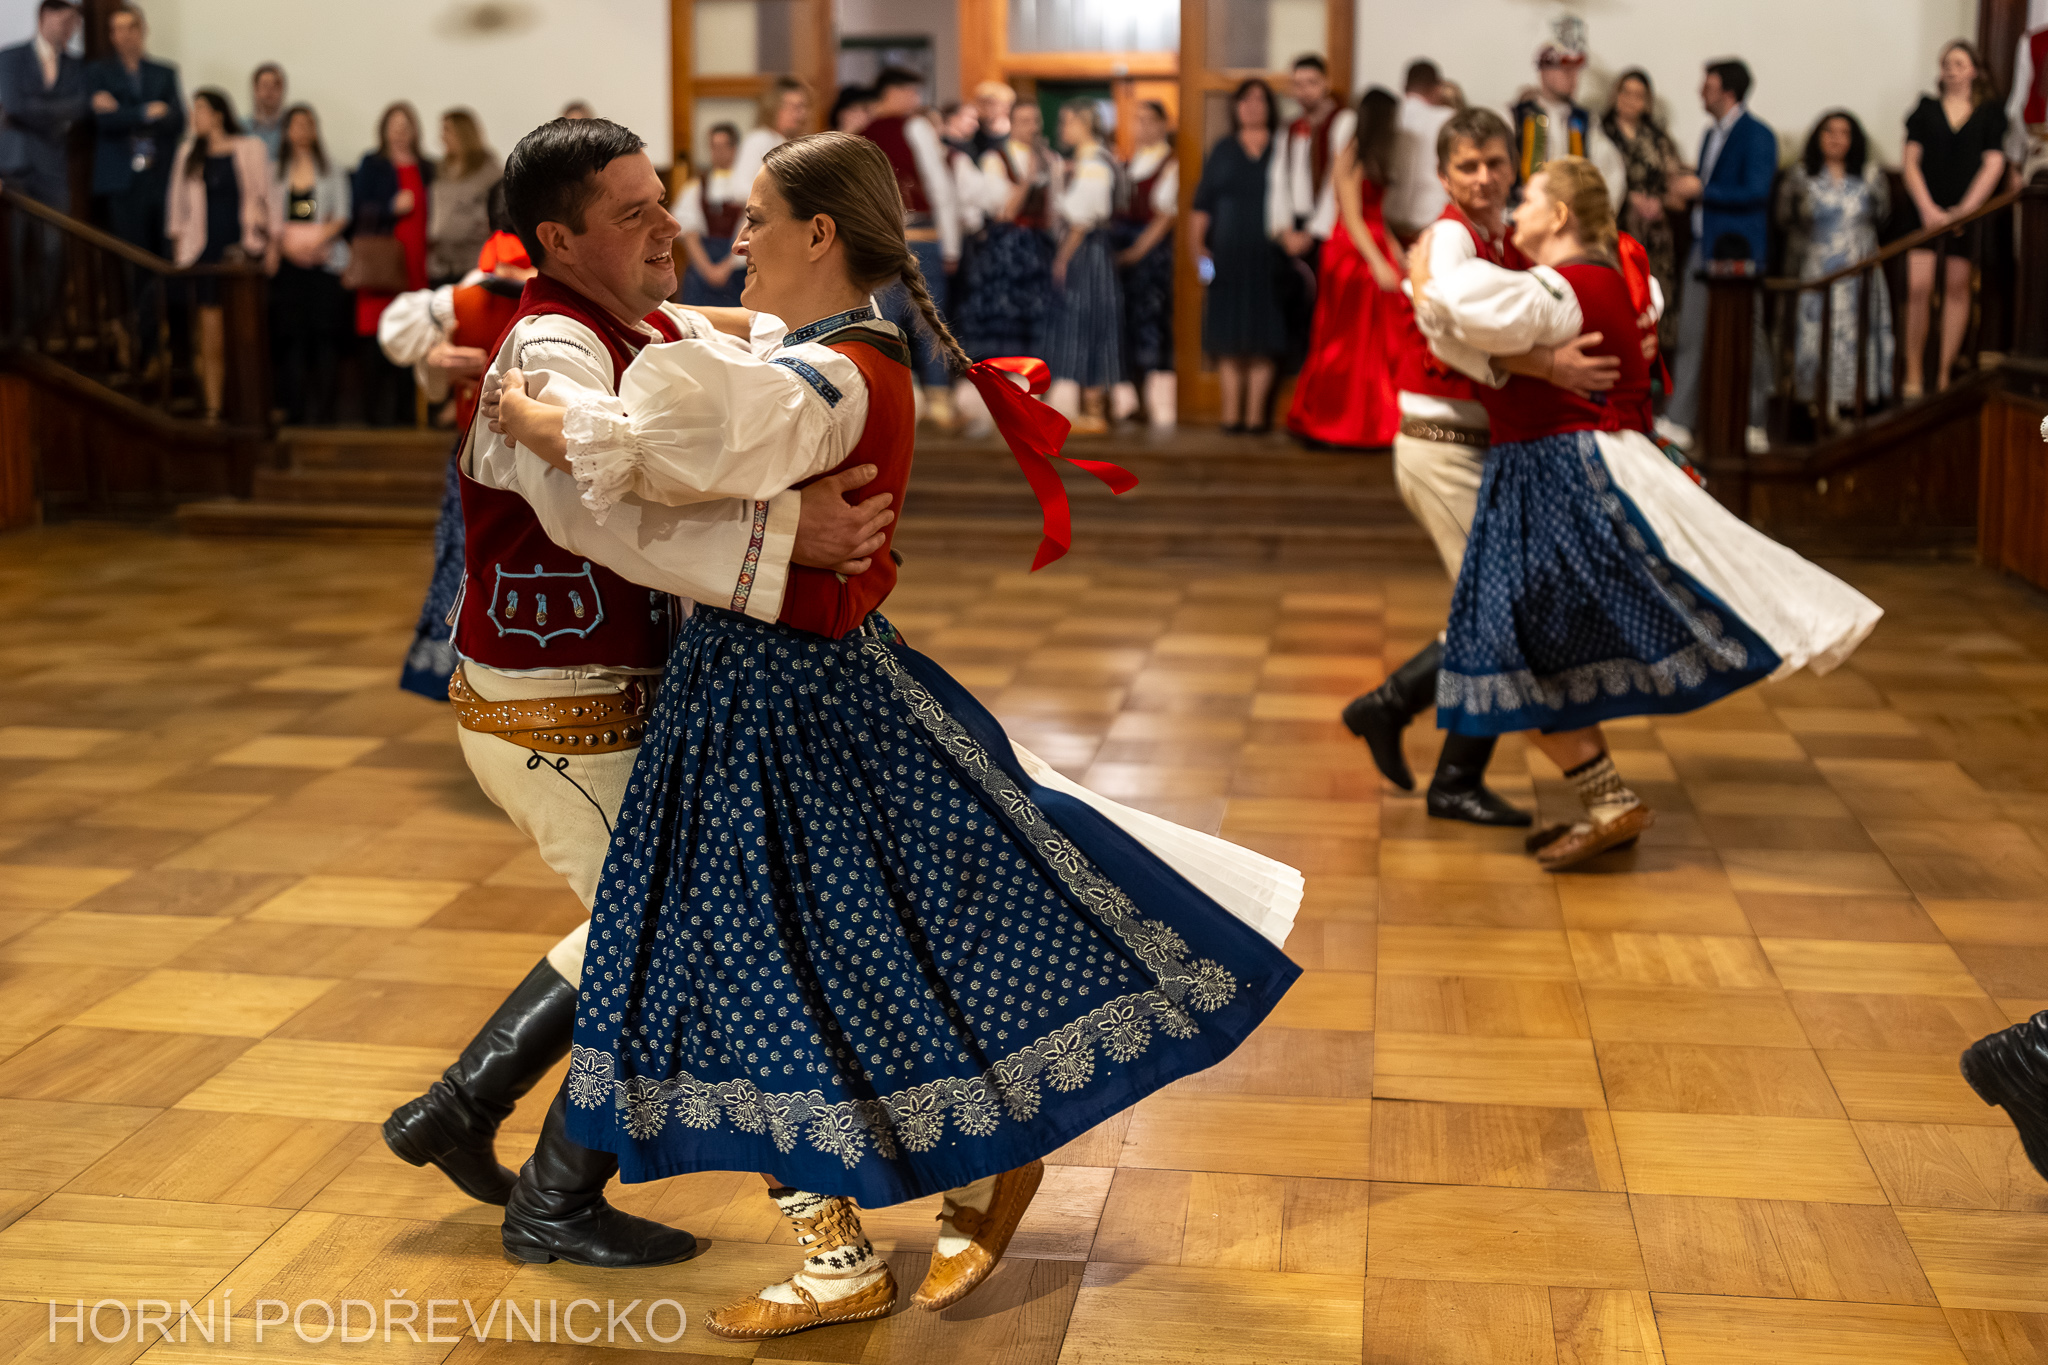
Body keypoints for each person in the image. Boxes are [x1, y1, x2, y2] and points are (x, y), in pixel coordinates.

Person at [484, 127, 1304, 1342]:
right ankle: (933, 1191)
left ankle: (857, 1245)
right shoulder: (817, 354)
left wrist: (536, 419)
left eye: (756, 218)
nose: (733, 239)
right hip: (767, 696)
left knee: (765, 970)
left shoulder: (821, 380)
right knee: (812, 961)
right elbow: (706, 358)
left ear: (819, 233)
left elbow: (658, 453)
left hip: (780, 707)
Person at [378, 116, 899, 1270]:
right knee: (675, 944)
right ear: (557, 240)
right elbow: (595, 517)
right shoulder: (547, 350)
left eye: (661, 198)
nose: (671, 225)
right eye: (633, 213)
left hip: (615, 695)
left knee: (654, 930)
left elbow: (741, 333)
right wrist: (788, 536)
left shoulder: (638, 321)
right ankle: (550, 1197)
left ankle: (465, 1110)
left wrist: (836, 314)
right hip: (552, 707)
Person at [1410, 157, 1880, 869]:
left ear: (1560, 215)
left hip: (1560, 480)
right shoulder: (1585, 281)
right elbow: (1468, 337)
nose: (1515, 211)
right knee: (1517, 653)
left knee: (1505, 651)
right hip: (1543, 476)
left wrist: (1425, 282)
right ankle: (1608, 802)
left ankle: (1608, 801)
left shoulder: (1561, 288)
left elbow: (1464, 312)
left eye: (1528, 199)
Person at [1340, 107, 1616, 826]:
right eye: (1468, 166)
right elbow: (1450, 324)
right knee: (1503, 616)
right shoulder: (1452, 238)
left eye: (1495, 163)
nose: (1485, 177)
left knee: (1496, 615)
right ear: (1443, 176)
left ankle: (1423, 743)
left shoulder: (1500, 236)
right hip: (1440, 445)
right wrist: (1549, 365)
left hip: (1479, 446)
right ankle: (1410, 729)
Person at [1661, 59, 1776, 453]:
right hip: (1703, 244)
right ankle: (1680, 419)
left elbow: (1757, 190)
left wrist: (1701, 190)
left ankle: (1755, 421)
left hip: (1738, 250)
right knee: (1691, 333)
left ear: (1727, 91)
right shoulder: (1711, 133)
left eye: (1707, 86)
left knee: (1750, 338)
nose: (1700, 92)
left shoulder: (1758, 134)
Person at [1286, 88, 1403, 450]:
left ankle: (1371, 422)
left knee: (1376, 344)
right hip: (1352, 255)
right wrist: (1378, 262)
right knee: (1344, 342)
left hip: (1372, 247)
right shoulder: (1350, 156)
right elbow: (1352, 218)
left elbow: (1378, 216)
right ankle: (1333, 422)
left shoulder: (1376, 157)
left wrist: (1397, 253)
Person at [1903, 40, 2009, 398]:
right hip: (1924, 211)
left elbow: (1994, 163)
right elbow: (1910, 163)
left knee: (1956, 290)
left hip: (1965, 215)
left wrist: (1964, 212)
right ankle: (1913, 373)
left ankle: (1944, 374)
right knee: (1918, 288)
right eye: (1946, 63)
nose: (1951, 69)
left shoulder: (1990, 113)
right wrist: (1929, 210)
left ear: (1974, 70)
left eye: (1959, 63)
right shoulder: (1925, 109)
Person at [860, 66, 962, 427]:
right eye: (913, 92)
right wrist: (952, 245)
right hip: (922, 236)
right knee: (930, 321)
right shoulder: (915, 127)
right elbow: (939, 186)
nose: (917, 100)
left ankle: (888, 405)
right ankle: (939, 402)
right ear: (896, 92)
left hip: (879, 238)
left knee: (883, 324)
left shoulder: (860, 134)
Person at [164, 88, 269, 421]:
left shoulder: (250, 148)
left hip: (242, 250)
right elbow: (176, 208)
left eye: (201, 109)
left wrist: (270, 242)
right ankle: (213, 408)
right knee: (210, 337)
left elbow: (266, 197)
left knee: (246, 336)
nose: (195, 116)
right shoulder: (187, 153)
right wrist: (179, 249)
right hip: (203, 251)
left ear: (219, 115)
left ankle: (248, 408)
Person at [1191, 79, 1289, 433]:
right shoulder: (1223, 149)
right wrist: (1198, 250)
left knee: (1265, 337)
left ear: (1270, 107)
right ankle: (1230, 418)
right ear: (1235, 107)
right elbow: (1201, 205)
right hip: (1227, 257)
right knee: (1227, 336)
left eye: (1260, 100)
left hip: (1270, 258)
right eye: (1245, 100)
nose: (1252, 106)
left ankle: (1256, 419)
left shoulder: (1283, 147)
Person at [1778, 111, 1893, 414]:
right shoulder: (1801, 175)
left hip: (1860, 268)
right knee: (1815, 335)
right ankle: (1816, 405)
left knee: (1858, 334)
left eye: (1844, 133)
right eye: (1829, 131)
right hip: (1817, 268)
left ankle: (1856, 403)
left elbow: (1883, 215)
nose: (1836, 139)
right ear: (1818, 137)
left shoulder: (1870, 175)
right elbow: (1785, 217)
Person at [266, 103, 351, 426]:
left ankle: (326, 414)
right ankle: (296, 411)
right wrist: (289, 249)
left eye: (308, 124)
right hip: (288, 267)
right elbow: (269, 216)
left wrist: (316, 242)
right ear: (286, 131)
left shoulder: (332, 169)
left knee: (325, 338)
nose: (302, 130)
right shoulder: (275, 170)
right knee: (292, 338)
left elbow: (341, 215)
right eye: (296, 124)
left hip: (324, 264)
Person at [1042, 98, 1123, 435]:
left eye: (1067, 121)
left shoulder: (1094, 162)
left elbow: (1083, 219)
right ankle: (1085, 404)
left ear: (1084, 123)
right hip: (1088, 248)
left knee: (1087, 321)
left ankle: (1093, 406)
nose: (1062, 128)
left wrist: (1062, 257)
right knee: (1084, 321)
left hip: (1087, 250)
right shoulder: (1088, 160)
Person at [353, 102, 434, 425]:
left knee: (412, 334)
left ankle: (406, 415)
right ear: (384, 130)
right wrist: (390, 207)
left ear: (415, 131)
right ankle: (373, 416)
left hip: (418, 263)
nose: (400, 133)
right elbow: (358, 209)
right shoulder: (372, 164)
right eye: (394, 126)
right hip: (381, 267)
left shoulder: (427, 168)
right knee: (375, 337)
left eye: (405, 126)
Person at [955, 100, 1054, 363]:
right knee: (1004, 309)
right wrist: (1028, 177)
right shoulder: (995, 159)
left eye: (1035, 121)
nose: (1032, 127)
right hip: (1007, 244)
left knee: (1039, 309)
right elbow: (1005, 212)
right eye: (1024, 121)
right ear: (1012, 123)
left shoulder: (1050, 158)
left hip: (1040, 244)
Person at [87, 4, 182, 255]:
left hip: (159, 173)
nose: (126, 35)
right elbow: (104, 121)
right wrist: (144, 112)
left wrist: (123, 113)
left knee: (165, 250)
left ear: (143, 30)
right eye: (118, 29)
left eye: (131, 28)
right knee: (131, 252)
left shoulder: (164, 73)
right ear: (111, 35)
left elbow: (177, 120)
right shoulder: (99, 73)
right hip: (121, 177)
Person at [1600, 68, 1684, 350]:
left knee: (1655, 296)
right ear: (1615, 95)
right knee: (1619, 296)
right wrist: (1629, 197)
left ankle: (1654, 359)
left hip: (1655, 234)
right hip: (1616, 227)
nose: (1631, 100)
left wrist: (1660, 200)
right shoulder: (1601, 132)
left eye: (1639, 95)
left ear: (1647, 101)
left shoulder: (1657, 137)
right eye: (1626, 92)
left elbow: (1675, 182)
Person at [1111, 98, 1177, 429]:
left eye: (1150, 120)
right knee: (1125, 325)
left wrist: (1136, 252)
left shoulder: (1171, 162)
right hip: (1122, 250)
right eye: (1138, 120)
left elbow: (1166, 216)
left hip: (1151, 253)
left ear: (1164, 124)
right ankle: (1133, 400)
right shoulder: (1128, 162)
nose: (1143, 126)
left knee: (1150, 323)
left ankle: (1154, 402)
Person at [0, 0, 87, 211]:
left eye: (75, 22)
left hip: (54, 164)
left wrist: (34, 107)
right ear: (45, 16)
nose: (71, 28)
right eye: (66, 20)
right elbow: (15, 106)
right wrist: (59, 110)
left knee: (57, 228)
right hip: (16, 164)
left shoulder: (75, 65)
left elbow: (80, 106)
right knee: (15, 229)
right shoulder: (10, 57)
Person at [1279, 53, 1346, 267]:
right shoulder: (1290, 128)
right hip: (1294, 225)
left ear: (1326, 83)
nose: (1304, 91)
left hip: (1326, 228)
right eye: (1298, 85)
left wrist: (1313, 231)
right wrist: (1285, 228)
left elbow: (1334, 182)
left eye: (1312, 83)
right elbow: (1279, 181)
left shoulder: (1341, 122)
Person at [1509, 31, 1590, 199]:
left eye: (1576, 70)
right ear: (1544, 71)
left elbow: (1609, 171)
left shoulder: (1586, 120)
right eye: (1565, 70)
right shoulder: (1516, 116)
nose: (1573, 77)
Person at [675, 121, 746, 306]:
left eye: (723, 146)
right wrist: (708, 270)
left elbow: (750, 230)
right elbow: (689, 233)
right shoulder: (696, 186)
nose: (718, 152)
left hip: (736, 270)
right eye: (714, 147)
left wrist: (727, 267)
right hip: (702, 269)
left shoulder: (748, 187)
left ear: (734, 148)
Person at [429, 107, 501, 285]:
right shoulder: (441, 169)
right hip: (440, 263)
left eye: (447, 130)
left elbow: (498, 211)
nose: (442, 137)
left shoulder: (488, 171)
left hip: (474, 261)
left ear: (463, 133)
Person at [1386, 59, 1453, 241]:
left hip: (1388, 214)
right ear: (1438, 88)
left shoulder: (1389, 115)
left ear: (1404, 86)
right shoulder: (1447, 119)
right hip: (1431, 216)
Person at [734, 75, 811, 188]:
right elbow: (739, 188)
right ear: (774, 107)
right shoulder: (759, 139)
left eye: (804, 107)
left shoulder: (785, 141)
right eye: (796, 107)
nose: (802, 114)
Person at [245, 62, 284, 161]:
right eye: (265, 85)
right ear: (255, 89)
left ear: (282, 90)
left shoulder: (290, 129)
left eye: (275, 86)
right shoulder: (241, 128)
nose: (270, 91)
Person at [971, 79, 1015, 158]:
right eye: (990, 104)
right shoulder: (972, 126)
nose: (1006, 109)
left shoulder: (1011, 129)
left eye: (1008, 105)